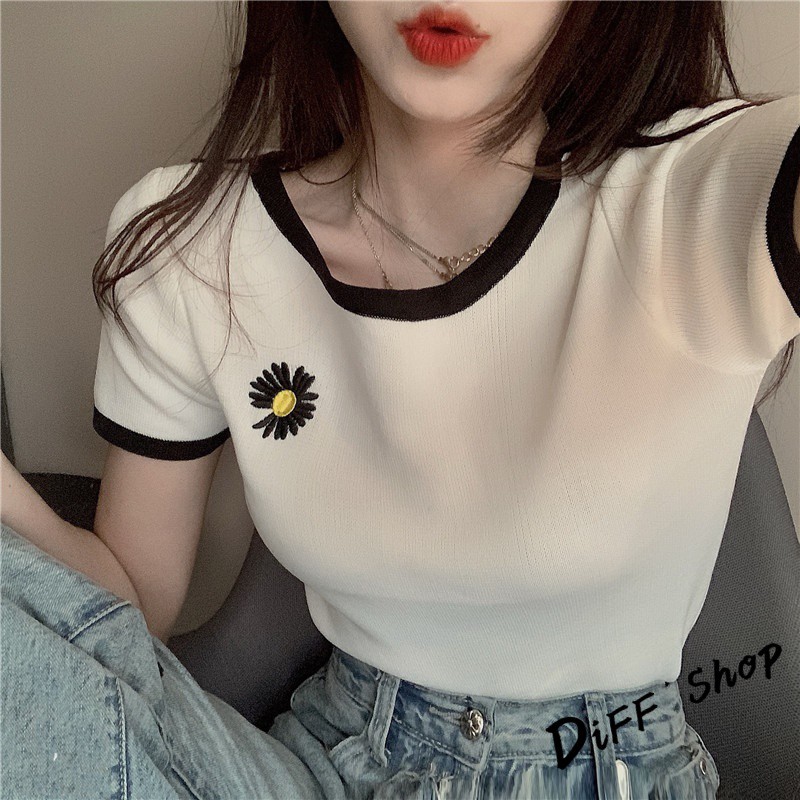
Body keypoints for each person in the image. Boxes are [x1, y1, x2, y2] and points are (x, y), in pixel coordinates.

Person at [2, 1, 799, 798]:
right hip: (316, 766)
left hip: (595, 769)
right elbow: (120, 610)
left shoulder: (695, 200)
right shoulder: (196, 248)